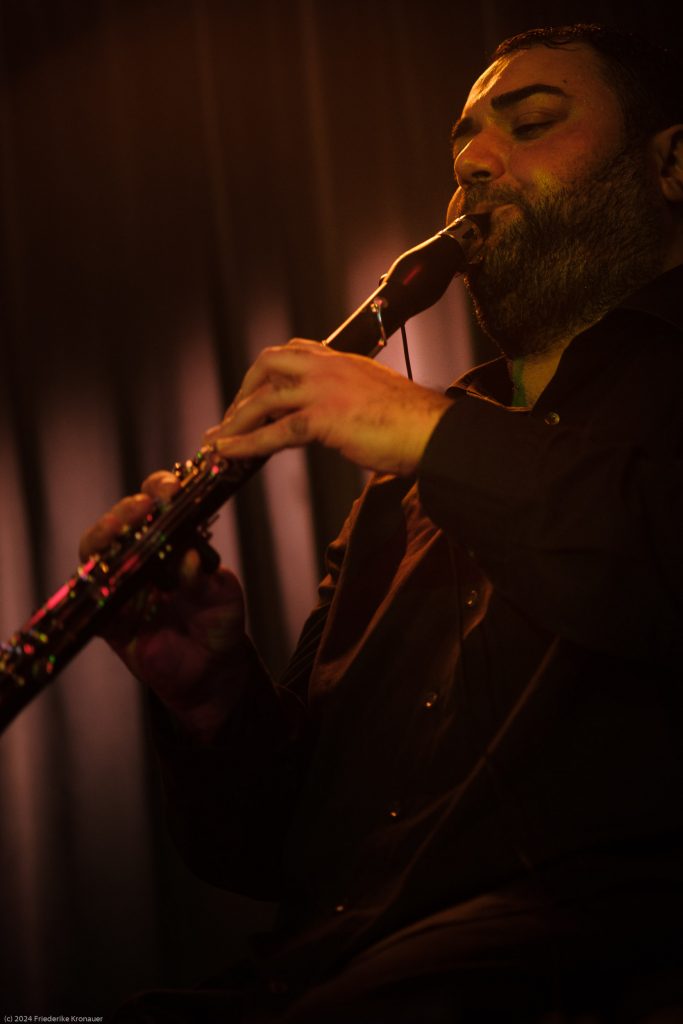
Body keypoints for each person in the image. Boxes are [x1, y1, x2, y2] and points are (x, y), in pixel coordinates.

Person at [81, 24, 683, 1023]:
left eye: (530, 122)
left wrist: (434, 436)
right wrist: (213, 698)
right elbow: (279, 851)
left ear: (670, 163)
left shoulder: (437, 441)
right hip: (329, 972)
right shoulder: (399, 492)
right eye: (462, 145)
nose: (473, 162)